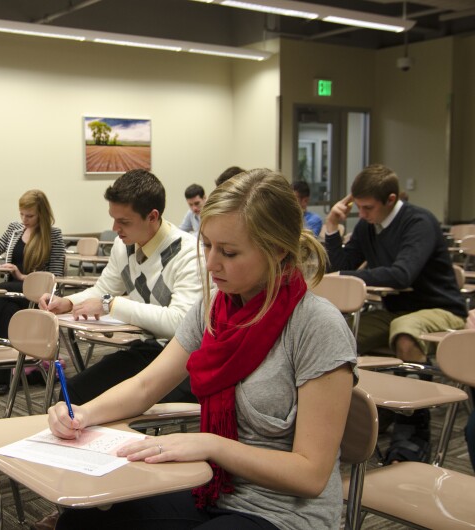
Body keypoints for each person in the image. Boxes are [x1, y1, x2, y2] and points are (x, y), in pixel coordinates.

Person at [46, 169, 357, 530]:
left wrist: (212, 446)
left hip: (286, 513)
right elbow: (147, 385)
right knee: (81, 521)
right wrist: (82, 414)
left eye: (228, 252)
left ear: (277, 250)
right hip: (214, 489)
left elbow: (310, 474)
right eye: (207, 245)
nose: (210, 264)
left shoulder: (317, 326)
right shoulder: (215, 309)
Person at [324, 163, 466, 463]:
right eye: (358, 208)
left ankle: (414, 429)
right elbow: (337, 267)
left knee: (404, 332)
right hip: (395, 311)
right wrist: (332, 228)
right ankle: (364, 416)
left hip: (440, 308)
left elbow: (402, 275)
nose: (361, 215)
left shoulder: (419, 222)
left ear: (391, 200)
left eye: (368, 208)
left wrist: (348, 275)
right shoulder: (367, 226)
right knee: (337, 334)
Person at [40, 169, 202, 405]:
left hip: (185, 363)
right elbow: (105, 288)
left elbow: (179, 324)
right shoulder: (124, 245)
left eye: (124, 221)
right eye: (113, 218)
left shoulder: (188, 253)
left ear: (152, 216)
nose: (115, 228)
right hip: (150, 351)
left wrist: (110, 304)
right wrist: (68, 302)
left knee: (103, 406)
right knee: (73, 394)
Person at [0, 189, 66, 395]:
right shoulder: (15, 229)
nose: (24, 219)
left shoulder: (54, 235)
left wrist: (22, 275)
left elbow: (55, 277)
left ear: (42, 213)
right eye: (22, 214)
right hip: (11, 295)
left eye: (30, 216)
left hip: (35, 295)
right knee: (7, 310)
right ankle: (2, 380)